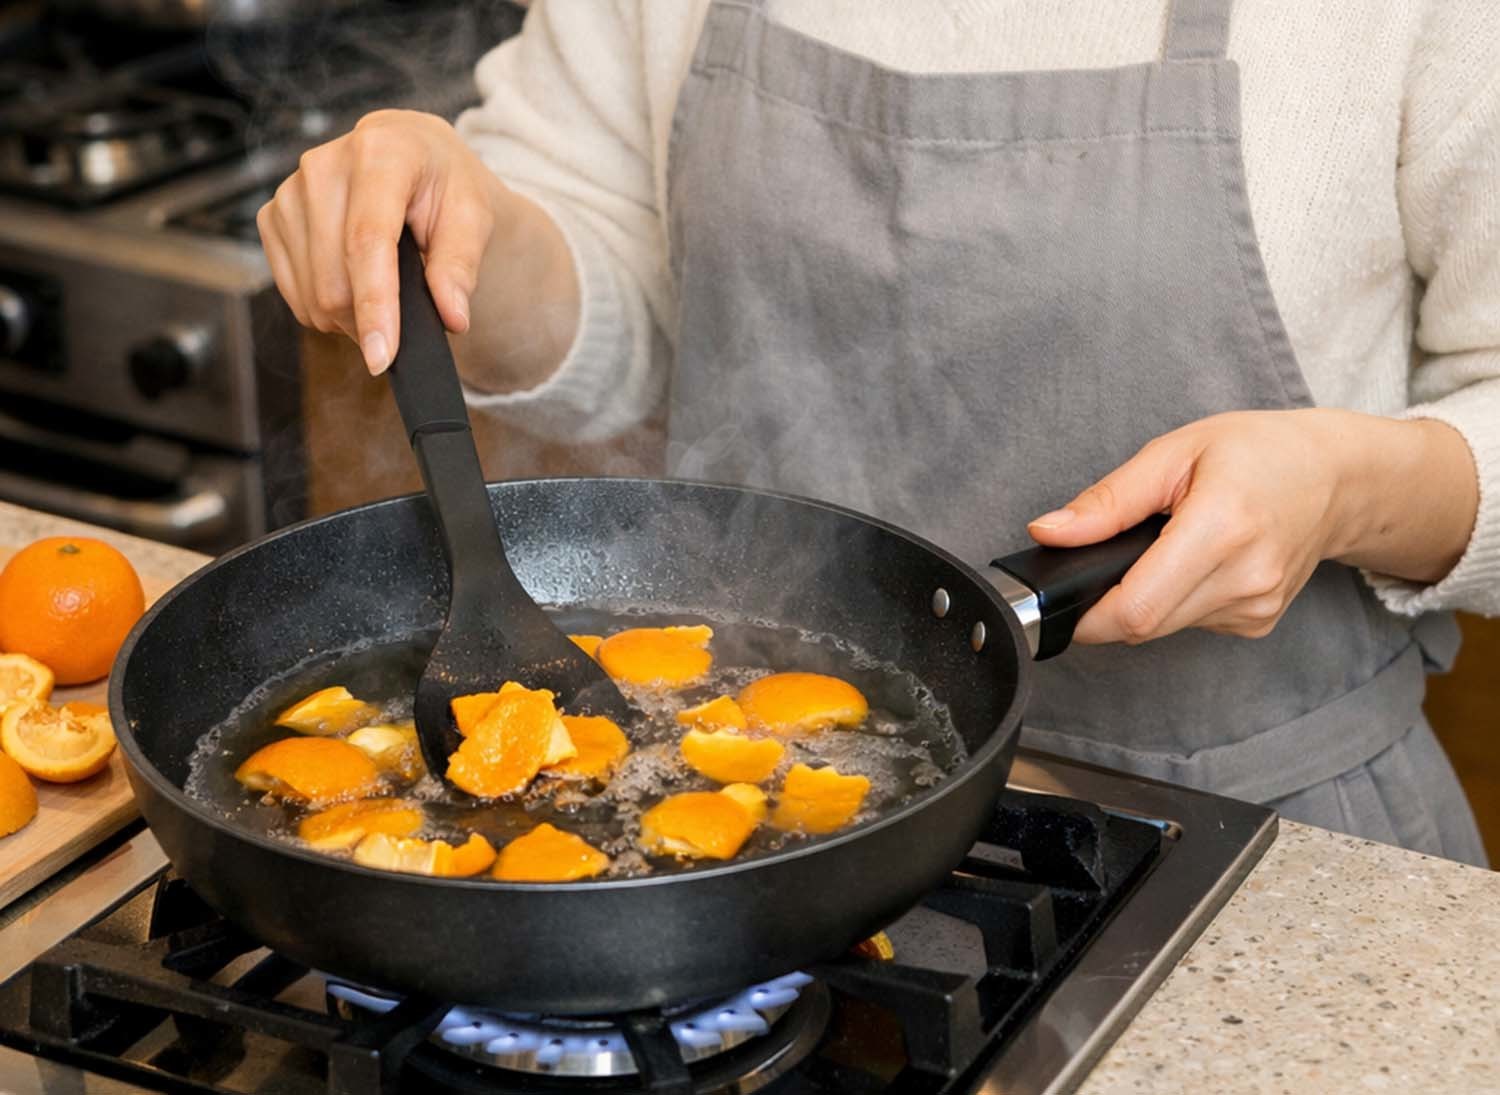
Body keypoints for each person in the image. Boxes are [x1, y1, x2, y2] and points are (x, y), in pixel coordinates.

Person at [257, 0, 1500, 865]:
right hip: (745, 819)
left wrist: (1341, 487)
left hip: (1263, 833)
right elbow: (622, 291)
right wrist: (460, 223)